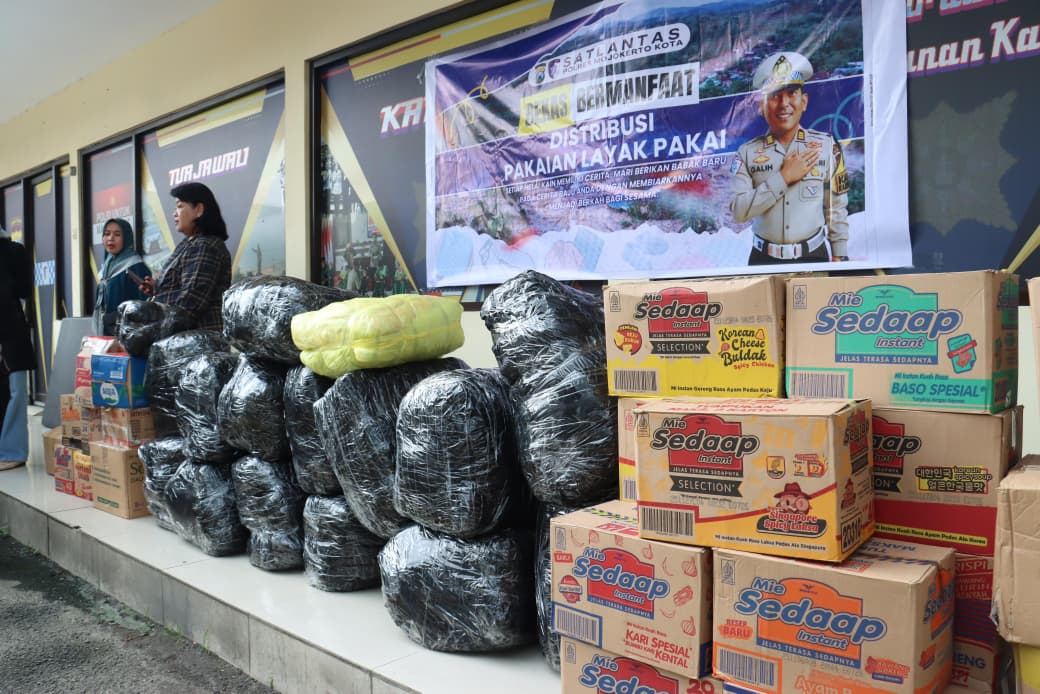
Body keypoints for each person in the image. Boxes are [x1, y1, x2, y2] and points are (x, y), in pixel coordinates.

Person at [730, 51, 849, 265]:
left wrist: (840, 253)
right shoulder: (746, 153)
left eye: (792, 93)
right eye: (774, 95)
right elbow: (739, 211)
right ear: (761, 106)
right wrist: (783, 178)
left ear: (803, 101)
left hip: (814, 258)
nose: (784, 103)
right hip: (763, 260)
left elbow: (836, 206)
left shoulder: (826, 146)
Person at [140, 182, 231, 331]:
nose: (174, 213)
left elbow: (190, 302)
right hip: (182, 339)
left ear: (199, 210)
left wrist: (148, 331)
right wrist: (157, 289)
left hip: (197, 343)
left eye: (180, 206)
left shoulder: (204, 246)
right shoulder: (190, 243)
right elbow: (182, 290)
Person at [0, 226, 36, 470]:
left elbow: (22, 289)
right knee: (11, 391)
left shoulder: (13, 251)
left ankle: (13, 451)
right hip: (11, 326)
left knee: (14, 390)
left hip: (10, 330)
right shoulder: (15, 250)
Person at [92, 218, 152, 336]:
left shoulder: (136, 267)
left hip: (127, 335)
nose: (110, 238)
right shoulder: (106, 269)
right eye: (107, 234)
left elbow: (144, 308)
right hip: (107, 331)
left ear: (127, 238)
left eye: (117, 234)